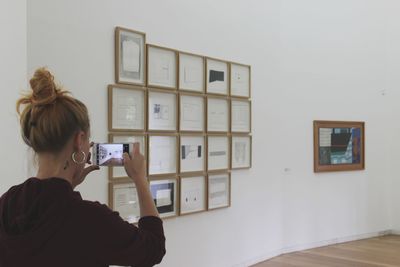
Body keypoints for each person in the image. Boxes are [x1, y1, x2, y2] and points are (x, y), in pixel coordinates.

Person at [0, 68, 166, 267]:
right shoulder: (92, 220)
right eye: (88, 139)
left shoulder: (6, 205)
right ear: (79, 140)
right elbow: (152, 249)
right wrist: (140, 179)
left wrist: (68, 185)